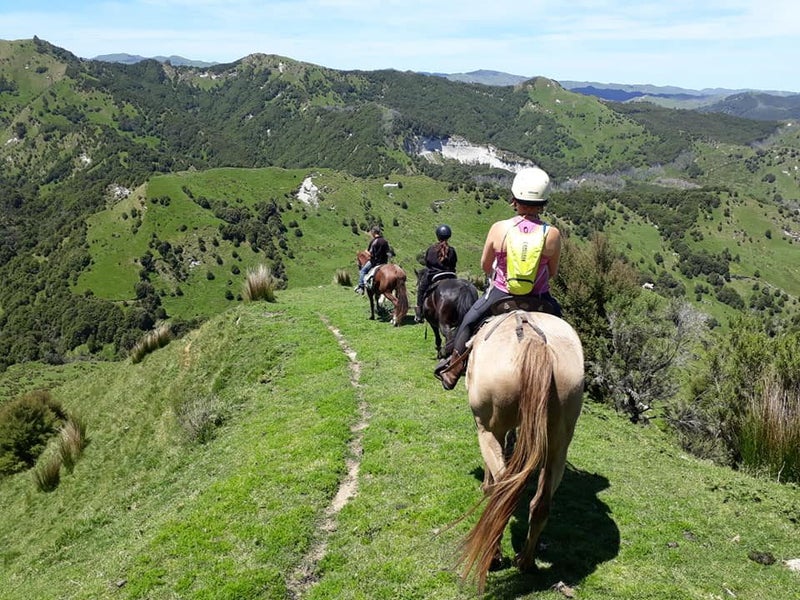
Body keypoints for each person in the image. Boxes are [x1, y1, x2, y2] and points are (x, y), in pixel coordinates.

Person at [433, 166, 563, 390]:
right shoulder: (552, 234)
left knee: (469, 321)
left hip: (500, 294)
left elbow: (485, 266)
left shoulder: (499, 228)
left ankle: (453, 369)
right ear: (543, 202)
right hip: (540, 296)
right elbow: (552, 272)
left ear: (514, 199)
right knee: (563, 331)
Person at [415, 224, 458, 323]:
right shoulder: (452, 250)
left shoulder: (431, 249)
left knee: (421, 289)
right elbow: (454, 264)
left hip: (434, 276)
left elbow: (428, 263)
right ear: (449, 236)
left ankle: (419, 313)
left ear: (437, 236)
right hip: (450, 276)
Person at [355, 226, 390, 293]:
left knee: (363, 271)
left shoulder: (374, 241)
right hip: (384, 262)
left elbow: (370, 254)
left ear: (374, 232)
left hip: (375, 262)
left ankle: (361, 287)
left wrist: (366, 252)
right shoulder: (385, 241)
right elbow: (388, 253)